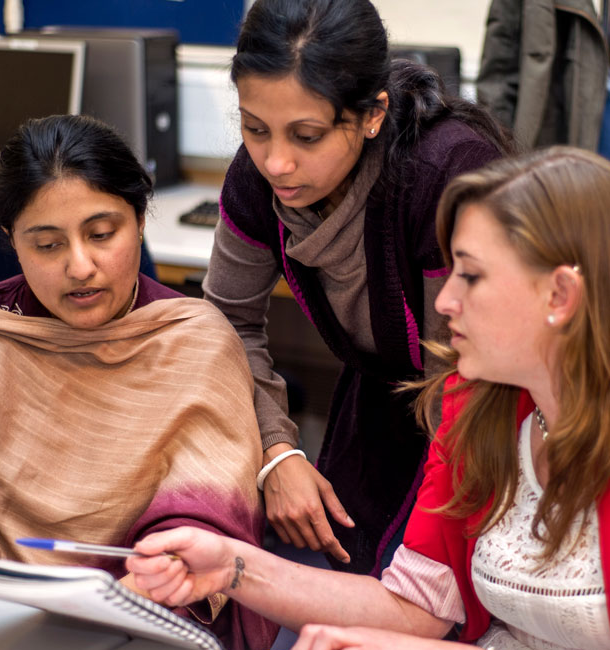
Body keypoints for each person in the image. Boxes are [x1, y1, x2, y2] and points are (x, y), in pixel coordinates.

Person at [125, 147, 610, 650]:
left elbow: (427, 642)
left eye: (471, 276)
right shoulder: (479, 405)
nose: (446, 301)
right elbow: (415, 609)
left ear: (561, 295)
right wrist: (231, 567)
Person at [0, 114, 277, 650]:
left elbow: (200, 518)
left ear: (140, 221)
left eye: (102, 235)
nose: (80, 266)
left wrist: (146, 590)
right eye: (47, 245)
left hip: (156, 629)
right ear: (11, 240)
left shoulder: (194, 340)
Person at [203, 0, 515, 574]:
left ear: (372, 115)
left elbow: (468, 369)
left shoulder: (444, 174)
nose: (275, 162)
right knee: (347, 583)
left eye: (307, 135)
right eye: (254, 129)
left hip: (477, 416)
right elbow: (225, 321)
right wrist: (276, 450)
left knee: (425, 603)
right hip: (378, 404)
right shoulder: (256, 180)